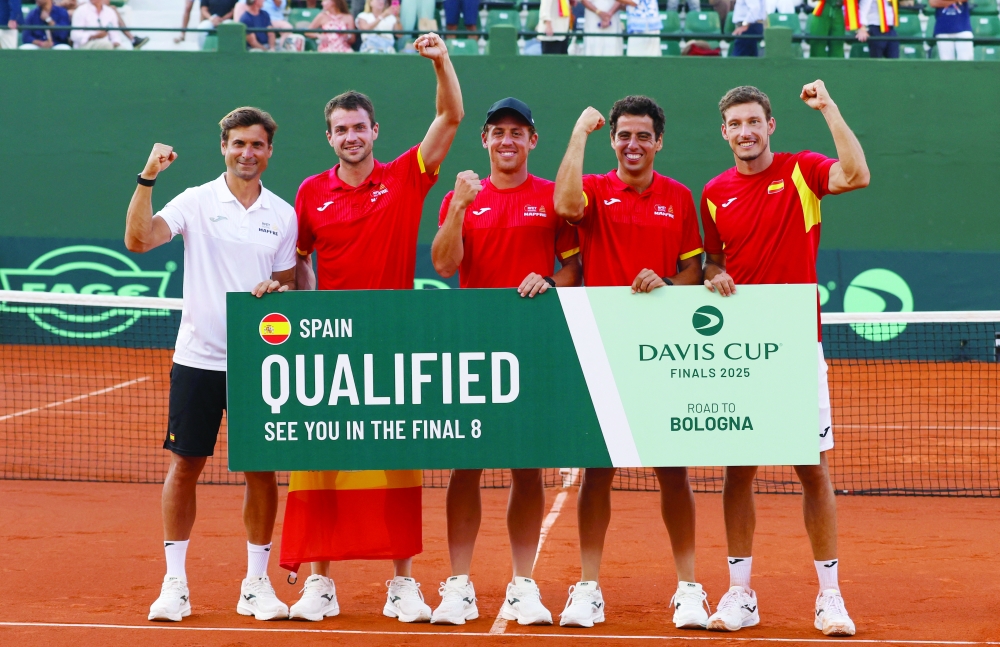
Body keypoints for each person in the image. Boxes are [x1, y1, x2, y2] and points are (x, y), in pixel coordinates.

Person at [284, 32, 463, 624]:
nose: (350, 136)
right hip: (331, 347)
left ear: (374, 132)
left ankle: (402, 582)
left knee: (395, 461)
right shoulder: (311, 192)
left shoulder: (408, 175)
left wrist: (440, 60)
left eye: (359, 126)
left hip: (393, 341)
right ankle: (319, 583)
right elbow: (299, 261)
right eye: (340, 129)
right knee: (322, 464)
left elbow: (451, 114)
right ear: (329, 137)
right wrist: (303, 307)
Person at [699, 82, 869, 636]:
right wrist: (713, 274)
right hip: (740, 351)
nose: (745, 131)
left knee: (811, 470)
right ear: (724, 133)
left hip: (796, 345)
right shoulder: (713, 192)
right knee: (738, 471)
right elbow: (711, 262)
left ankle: (830, 597)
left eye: (754, 121)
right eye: (735, 124)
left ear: (770, 125)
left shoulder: (802, 172)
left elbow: (856, 174)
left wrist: (829, 107)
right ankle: (740, 594)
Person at [126, 107, 298, 623]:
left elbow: (288, 284)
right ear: (223, 146)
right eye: (238, 143)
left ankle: (256, 584)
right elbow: (139, 239)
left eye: (257, 145)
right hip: (198, 359)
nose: (248, 152)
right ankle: (174, 584)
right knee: (185, 467)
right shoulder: (196, 201)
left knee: (262, 472)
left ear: (269, 152)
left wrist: (278, 290)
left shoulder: (283, 215)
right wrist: (147, 176)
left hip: (259, 362)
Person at [552, 97, 708, 630]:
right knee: (596, 474)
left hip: (662, 354)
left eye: (643, 136)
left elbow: (694, 272)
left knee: (673, 473)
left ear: (658, 141)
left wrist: (666, 284)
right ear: (613, 139)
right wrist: (580, 132)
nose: (632, 145)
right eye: (623, 135)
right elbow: (565, 203)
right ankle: (588, 587)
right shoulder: (594, 189)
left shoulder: (680, 198)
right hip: (601, 347)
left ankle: (689, 588)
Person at [428, 98, 582, 627]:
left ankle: (523, 584)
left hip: (534, 350)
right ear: (486, 141)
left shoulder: (552, 200)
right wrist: (458, 209)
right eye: (498, 132)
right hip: (475, 347)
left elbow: (572, 268)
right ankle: (459, 585)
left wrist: (550, 281)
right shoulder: (462, 197)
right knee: (465, 466)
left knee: (527, 469)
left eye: (518, 132)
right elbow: (445, 263)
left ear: (532, 141)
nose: (507, 140)